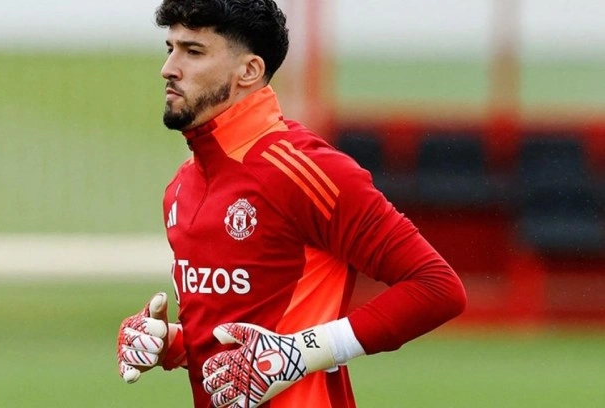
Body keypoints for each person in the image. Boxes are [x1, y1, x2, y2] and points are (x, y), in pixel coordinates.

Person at [117, 1, 467, 407]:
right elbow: (239, 338)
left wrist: (304, 352)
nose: (169, 68)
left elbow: (437, 287)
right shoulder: (182, 187)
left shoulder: (306, 169)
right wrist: (168, 343)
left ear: (249, 71)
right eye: (170, 48)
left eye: (193, 51)